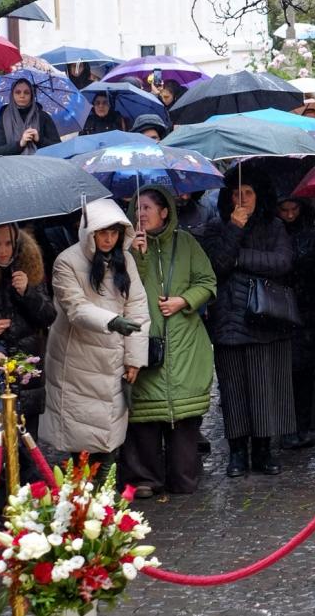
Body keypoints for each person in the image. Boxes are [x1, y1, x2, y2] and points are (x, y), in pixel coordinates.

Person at [119, 188, 216, 498]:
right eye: (137, 208)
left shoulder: (186, 243)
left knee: (184, 417)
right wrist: (139, 258)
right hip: (143, 340)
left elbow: (207, 282)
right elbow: (122, 289)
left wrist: (183, 301)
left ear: (165, 212)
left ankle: (184, 476)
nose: (141, 214)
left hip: (185, 342)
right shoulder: (127, 249)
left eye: (147, 207)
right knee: (144, 416)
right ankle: (144, 478)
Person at [41, 198, 149, 465]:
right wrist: (113, 322)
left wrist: (134, 358)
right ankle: (82, 499)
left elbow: (137, 308)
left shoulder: (125, 261)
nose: (109, 239)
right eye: (103, 232)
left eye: (114, 233)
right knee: (81, 439)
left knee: (109, 437)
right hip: (77, 361)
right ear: (90, 232)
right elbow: (75, 308)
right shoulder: (66, 262)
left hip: (112, 360)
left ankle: (104, 498)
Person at [205, 168, 298, 477]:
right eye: (236, 193)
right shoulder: (219, 227)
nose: (242, 199)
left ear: (259, 196)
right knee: (232, 389)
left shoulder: (274, 227)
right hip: (229, 318)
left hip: (265, 319)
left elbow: (283, 262)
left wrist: (240, 257)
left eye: (248, 193)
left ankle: (263, 449)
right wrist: (234, 229)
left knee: (264, 387)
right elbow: (216, 266)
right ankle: (236, 452)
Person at [0, 223, 56, 521]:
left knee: (26, 441)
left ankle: (28, 507)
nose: (3, 250)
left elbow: (48, 315)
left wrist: (27, 292)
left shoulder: (29, 265)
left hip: (26, 368)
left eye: (8, 243)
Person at [277, 194, 315, 449]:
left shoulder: (312, 227)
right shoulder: (274, 230)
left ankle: (303, 425)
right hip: (284, 310)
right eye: (284, 209)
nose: (290, 214)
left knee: (306, 372)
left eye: (293, 208)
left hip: (309, 309)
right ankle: (288, 428)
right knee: (287, 373)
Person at [0, 78, 61, 156]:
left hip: (40, 166)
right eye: (18, 92)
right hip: (12, 166)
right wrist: (20, 144)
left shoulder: (43, 117)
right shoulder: (4, 118)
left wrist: (39, 139)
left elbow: (59, 148)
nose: (22, 96)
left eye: (26, 92)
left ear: (32, 95)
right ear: (12, 95)